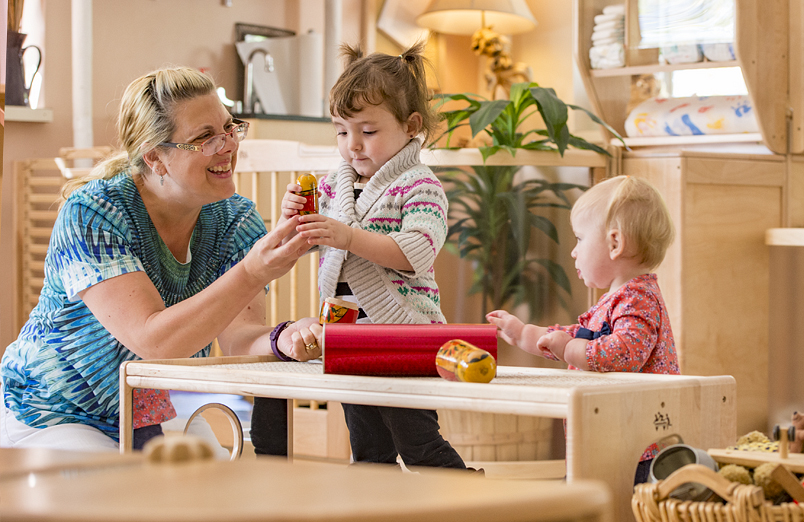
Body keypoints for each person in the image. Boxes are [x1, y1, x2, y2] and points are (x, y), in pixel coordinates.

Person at [0, 66, 323, 452]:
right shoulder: (94, 213)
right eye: (205, 137)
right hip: (50, 414)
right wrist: (253, 271)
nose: (229, 146)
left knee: (213, 501)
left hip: (144, 413)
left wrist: (281, 339)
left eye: (229, 128)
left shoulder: (235, 218)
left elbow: (239, 337)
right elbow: (153, 342)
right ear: (155, 157)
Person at [251, 42, 467, 470]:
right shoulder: (333, 185)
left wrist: (347, 236)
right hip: (345, 331)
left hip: (404, 330)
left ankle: (466, 499)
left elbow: (417, 252)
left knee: (417, 440)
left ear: (411, 125)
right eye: (341, 131)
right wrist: (292, 217)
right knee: (367, 446)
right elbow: (305, 243)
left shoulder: (420, 186)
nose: (353, 145)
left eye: (368, 132)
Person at [486, 175, 680, 484]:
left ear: (615, 243)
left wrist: (566, 348)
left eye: (579, 238)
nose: (574, 251)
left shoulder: (638, 299)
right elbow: (582, 336)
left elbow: (621, 354)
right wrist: (526, 334)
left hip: (636, 449)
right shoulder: (620, 298)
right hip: (611, 440)